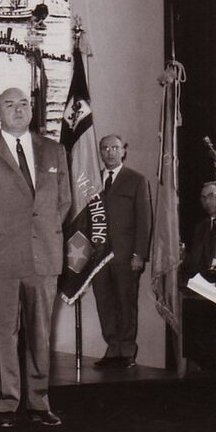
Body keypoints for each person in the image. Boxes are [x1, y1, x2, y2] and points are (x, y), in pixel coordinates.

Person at [0, 88, 71, 428]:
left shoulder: (54, 150)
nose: (18, 109)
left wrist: (45, 232)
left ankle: (39, 402)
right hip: (1, 257)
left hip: (43, 256)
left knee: (41, 335)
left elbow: (64, 202)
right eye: (9, 105)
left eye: (24, 104)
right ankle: (7, 404)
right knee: (4, 335)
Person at [92, 134, 151, 368]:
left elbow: (144, 220)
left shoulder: (136, 180)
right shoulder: (92, 181)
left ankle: (127, 349)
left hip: (125, 256)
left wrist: (139, 254)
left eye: (115, 148)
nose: (110, 152)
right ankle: (112, 348)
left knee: (126, 303)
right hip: (98, 258)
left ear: (123, 151)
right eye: (105, 148)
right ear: (99, 152)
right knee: (104, 302)